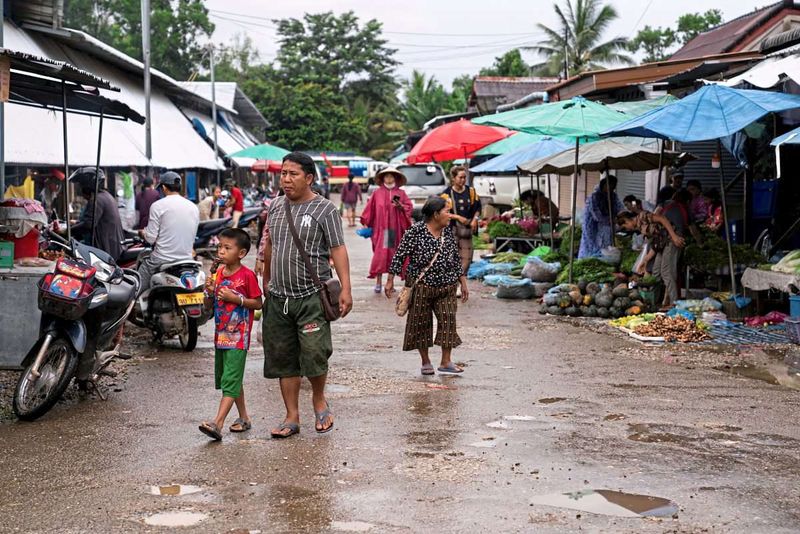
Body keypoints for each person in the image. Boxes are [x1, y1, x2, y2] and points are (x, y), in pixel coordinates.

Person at [260, 152, 353, 438]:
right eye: (283, 173)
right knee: (283, 357)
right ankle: (291, 416)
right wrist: (265, 278)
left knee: (314, 353)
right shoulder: (275, 207)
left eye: (293, 174)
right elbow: (270, 246)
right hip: (279, 298)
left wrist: (346, 288)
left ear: (309, 178)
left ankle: (319, 399)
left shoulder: (325, 210)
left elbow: (337, 249)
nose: (286, 179)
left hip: (311, 296)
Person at [385, 197, 468, 376]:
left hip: (446, 286)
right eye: (447, 211)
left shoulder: (448, 233)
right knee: (421, 323)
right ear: (436, 214)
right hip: (421, 285)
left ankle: (446, 361)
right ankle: (426, 361)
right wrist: (390, 279)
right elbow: (399, 255)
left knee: (448, 320)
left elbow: (454, 259)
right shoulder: (415, 231)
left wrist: (463, 281)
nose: (450, 216)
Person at [199, 228, 263, 441]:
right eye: (220, 247)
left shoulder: (247, 276)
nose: (222, 251)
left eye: (227, 248)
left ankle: (217, 423)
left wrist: (237, 299)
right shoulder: (217, 274)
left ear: (241, 253)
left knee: (230, 378)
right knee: (231, 378)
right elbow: (208, 305)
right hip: (220, 336)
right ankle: (244, 417)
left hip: (238, 337)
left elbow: (258, 302)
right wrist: (208, 291)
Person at [137, 171, 200, 292]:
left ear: (164, 187)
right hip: (187, 259)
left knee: (138, 282)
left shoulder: (158, 206)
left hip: (162, 259)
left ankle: (133, 305)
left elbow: (150, 238)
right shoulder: (193, 207)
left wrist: (142, 233)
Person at [617, 210, 686, 309]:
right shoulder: (641, 228)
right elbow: (655, 244)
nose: (627, 229)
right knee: (656, 273)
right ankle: (656, 301)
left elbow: (663, 219)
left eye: (625, 227)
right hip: (662, 245)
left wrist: (674, 236)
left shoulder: (643, 216)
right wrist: (645, 261)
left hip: (670, 240)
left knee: (666, 272)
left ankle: (674, 303)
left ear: (627, 221)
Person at [360, 167, 413, 293]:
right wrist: (366, 222)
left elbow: (409, 208)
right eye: (386, 176)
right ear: (383, 178)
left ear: (395, 178)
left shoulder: (401, 193)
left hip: (394, 230)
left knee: (393, 256)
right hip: (381, 230)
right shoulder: (377, 193)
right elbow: (369, 210)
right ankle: (378, 282)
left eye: (391, 176)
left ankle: (391, 282)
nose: (389, 179)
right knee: (380, 256)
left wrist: (401, 207)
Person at [68, 167, 124, 261]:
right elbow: (93, 220)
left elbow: (88, 225)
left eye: (81, 185)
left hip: (105, 250)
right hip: (112, 246)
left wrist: (67, 231)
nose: (80, 190)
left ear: (87, 186)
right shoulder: (106, 195)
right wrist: (76, 222)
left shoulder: (97, 200)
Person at [440, 165, 481, 275]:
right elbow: (443, 213)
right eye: (460, 177)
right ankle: (453, 284)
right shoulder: (446, 194)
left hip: (467, 230)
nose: (463, 180)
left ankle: (459, 281)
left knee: (467, 259)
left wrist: (475, 219)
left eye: (464, 177)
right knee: (451, 258)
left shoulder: (471, 192)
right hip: (452, 229)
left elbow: (478, 207)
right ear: (453, 178)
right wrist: (457, 217)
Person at [578, 175, 623, 259]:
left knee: (605, 247)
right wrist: (612, 220)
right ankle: (588, 260)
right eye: (609, 186)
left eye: (613, 187)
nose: (611, 189)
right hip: (593, 227)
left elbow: (619, 208)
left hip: (607, 227)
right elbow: (597, 216)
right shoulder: (594, 197)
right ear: (604, 184)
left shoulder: (613, 196)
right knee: (591, 246)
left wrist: (622, 216)